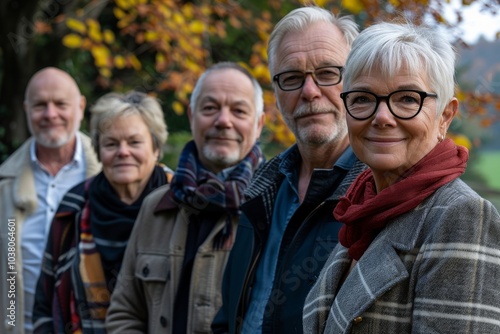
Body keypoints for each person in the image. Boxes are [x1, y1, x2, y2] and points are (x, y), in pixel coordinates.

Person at [303, 20, 500, 334]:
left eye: (408, 99)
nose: (382, 117)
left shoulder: (462, 217)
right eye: (363, 99)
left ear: (444, 117)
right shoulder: (362, 211)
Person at [212, 6, 366, 334]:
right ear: (276, 93)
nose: (309, 91)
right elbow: (231, 310)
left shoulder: (376, 194)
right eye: (292, 78)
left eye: (327, 73)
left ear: (356, 82)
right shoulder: (262, 186)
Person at [105, 61, 266, 333]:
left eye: (238, 111)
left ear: (259, 124)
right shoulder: (155, 207)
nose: (223, 121)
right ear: (192, 116)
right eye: (210, 108)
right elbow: (124, 313)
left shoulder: (273, 209)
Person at [32, 90, 173, 333]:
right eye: (111, 143)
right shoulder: (74, 207)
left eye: (135, 142)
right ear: (98, 150)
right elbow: (44, 301)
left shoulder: (181, 201)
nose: (123, 152)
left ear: (156, 148)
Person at [0, 67, 101, 334]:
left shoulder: (109, 174)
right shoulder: (4, 185)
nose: (50, 114)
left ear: (80, 106)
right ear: (26, 109)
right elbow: (8, 270)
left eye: (60, 104)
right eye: (40, 105)